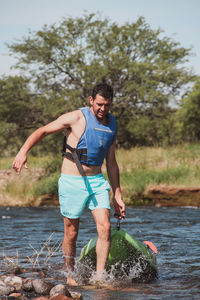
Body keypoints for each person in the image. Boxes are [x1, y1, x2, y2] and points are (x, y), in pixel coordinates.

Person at [12, 83, 126, 285]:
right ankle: (70, 274)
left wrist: (117, 194)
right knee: (71, 233)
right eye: (99, 104)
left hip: (97, 181)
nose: (103, 109)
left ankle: (100, 277)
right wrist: (23, 151)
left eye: (107, 105)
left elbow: (112, 162)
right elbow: (43, 130)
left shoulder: (111, 124)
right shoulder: (76, 117)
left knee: (105, 226)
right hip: (72, 182)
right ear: (91, 100)